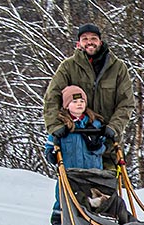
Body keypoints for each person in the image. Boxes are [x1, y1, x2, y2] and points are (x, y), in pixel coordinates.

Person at [43, 23, 135, 172]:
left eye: (93, 38)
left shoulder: (118, 68)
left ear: (100, 41)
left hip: (107, 142)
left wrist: (114, 127)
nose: (89, 42)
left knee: (106, 187)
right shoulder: (68, 67)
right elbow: (51, 98)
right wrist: (55, 126)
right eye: (85, 39)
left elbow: (126, 102)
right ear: (78, 43)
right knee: (75, 188)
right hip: (75, 142)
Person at [42, 86, 106, 225]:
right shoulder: (59, 126)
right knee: (63, 201)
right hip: (69, 174)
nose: (79, 104)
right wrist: (52, 155)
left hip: (92, 173)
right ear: (66, 105)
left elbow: (104, 147)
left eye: (82, 101)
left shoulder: (94, 124)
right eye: (74, 101)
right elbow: (49, 148)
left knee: (92, 202)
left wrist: (97, 145)